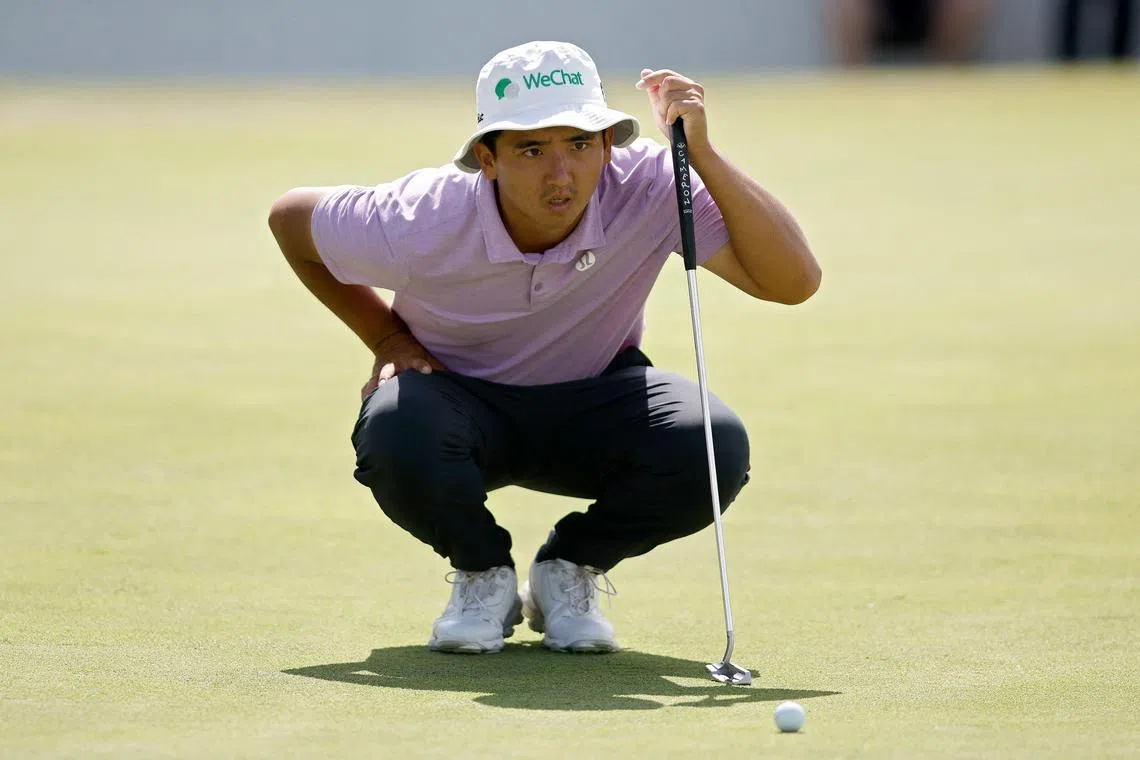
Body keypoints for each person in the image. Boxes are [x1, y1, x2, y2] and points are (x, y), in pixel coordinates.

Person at [268, 41, 820, 655]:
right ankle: (482, 575)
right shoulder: (419, 217)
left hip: (595, 399)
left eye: (580, 144)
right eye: (531, 149)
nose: (561, 174)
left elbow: (791, 282)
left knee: (711, 444)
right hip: (454, 407)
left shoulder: (650, 185)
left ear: (608, 144)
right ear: (488, 158)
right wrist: (387, 337)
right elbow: (290, 220)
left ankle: (569, 569)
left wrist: (703, 155)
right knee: (395, 424)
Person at [827, 0, 991, 65]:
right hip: (880, 8)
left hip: (933, 9)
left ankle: (944, 86)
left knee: (968, 4)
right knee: (848, 6)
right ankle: (856, 89)